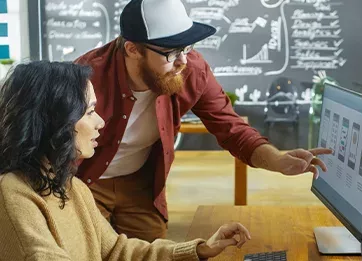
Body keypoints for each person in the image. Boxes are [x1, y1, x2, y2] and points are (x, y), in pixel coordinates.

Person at [75, 0, 332, 242]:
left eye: (187, 48)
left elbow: (232, 129)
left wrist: (277, 160)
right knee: (86, 248)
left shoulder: (191, 70)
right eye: (170, 52)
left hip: (141, 182)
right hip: (84, 179)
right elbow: (50, 147)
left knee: (152, 252)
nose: (182, 61)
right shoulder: (85, 77)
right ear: (132, 48)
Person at [0, 61, 252, 261]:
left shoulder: (70, 186)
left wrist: (201, 250)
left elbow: (116, 251)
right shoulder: (13, 195)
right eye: (89, 112)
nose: (100, 122)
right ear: (53, 121)